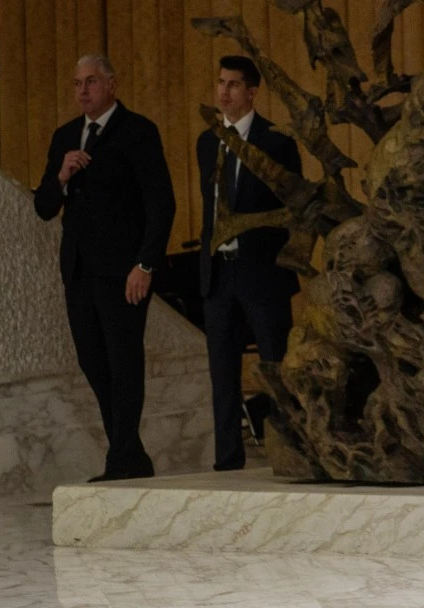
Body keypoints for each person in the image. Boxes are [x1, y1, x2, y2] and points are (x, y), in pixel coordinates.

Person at [34, 53, 175, 482]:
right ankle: (130, 454)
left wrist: (145, 264)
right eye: (77, 83)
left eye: (91, 82)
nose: (82, 90)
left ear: (111, 84)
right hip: (79, 272)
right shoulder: (64, 137)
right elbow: (43, 207)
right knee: (93, 361)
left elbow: (161, 204)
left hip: (125, 273)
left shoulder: (137, 132)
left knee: (124, 362)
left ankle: (122, 460)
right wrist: (60, 176)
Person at [195, 55, 302, 471]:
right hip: (219, 273)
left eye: (234, 84)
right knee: (222, 372)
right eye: (220, 82)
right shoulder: (208, 141)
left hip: (262, 273)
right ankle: (228, 460)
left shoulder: (276, 141)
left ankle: (288, 452)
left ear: (252, 91)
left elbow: (293, 209)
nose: (224, 91)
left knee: (275, 366)